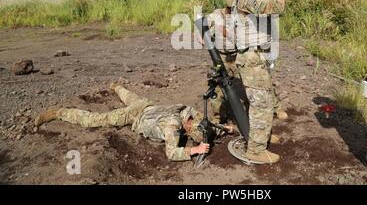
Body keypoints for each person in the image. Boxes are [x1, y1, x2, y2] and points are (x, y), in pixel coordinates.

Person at [34, 84, 234, 161]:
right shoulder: (172, 127)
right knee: (97, 120)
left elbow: (208, 125)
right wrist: (194, 151)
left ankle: (117, 87)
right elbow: (172, 153)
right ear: (188, 128)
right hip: (135, 116)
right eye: (191, 133)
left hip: (146, 105)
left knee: (129, 96)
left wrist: (226, 128)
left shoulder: (190, 112)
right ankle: (59, 113)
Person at [221, 0, 286, 164]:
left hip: (253, 55)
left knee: (262, 99)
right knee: (262, 103)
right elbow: (277, 8)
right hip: (251, 56)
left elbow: (227, 7)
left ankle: (262, 137)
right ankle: (256, 149)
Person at [206, 7, 288, 124]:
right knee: (219, 87)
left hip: (240, 54)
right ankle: (219, 117)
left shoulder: (242, 17)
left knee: (260, 81)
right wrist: (204, 36)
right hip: (222, 57)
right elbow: (203, 28)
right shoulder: (215, 15)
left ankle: (276, 108)